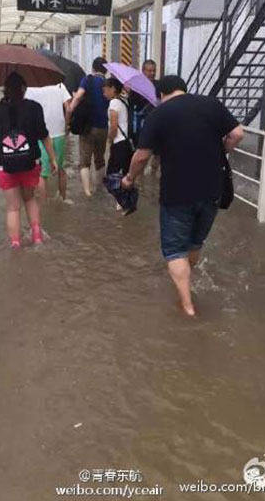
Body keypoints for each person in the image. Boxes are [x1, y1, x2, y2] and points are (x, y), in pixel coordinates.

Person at [121, 75, 245, 317]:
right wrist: (223, 151)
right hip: (212, 189)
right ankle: (186, 280)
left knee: (175, 249)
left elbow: (142, 156)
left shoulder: (159, 113)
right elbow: (238, 134)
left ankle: (187, 306)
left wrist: (129, 179)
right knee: (195, 243)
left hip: (177, 191)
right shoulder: (211, 104)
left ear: (161, 94)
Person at [0, 72, 57, 248]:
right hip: (30, 163)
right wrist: (52, 159)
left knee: (13, 207)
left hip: (5, 165)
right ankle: (37, 238)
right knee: (30, 199)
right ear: (24, 89)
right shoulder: (34, 107)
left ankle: (15, 245)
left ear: (5, 90)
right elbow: (44, 135)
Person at [25, 81, 72, 203]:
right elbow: (68, 109)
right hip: (59, 132)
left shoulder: (31, 87)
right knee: (60, 169)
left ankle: (44, 204)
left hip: (41, 134)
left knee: (42, 174)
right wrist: (66, 126)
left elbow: (27, 111)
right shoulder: (60, 86)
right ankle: (63, 198)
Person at [69, 56, 109, 196]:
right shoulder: (107, 83)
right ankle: (100, 188)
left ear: (93, 68)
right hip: (103, 127)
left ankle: (87, 192)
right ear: (106, 69)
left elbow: (79, 96)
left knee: (84, 161)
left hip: (87, 126)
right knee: (100, 158)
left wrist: (70, 111)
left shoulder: (87, 80)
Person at [102, 77, 137, 214]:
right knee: (126, 173)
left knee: (111, 175)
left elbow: (114, 127)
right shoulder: (124, 100)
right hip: (127, 143)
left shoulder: (114, 103)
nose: (104, 92)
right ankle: (128, 202)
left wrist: (109, 139)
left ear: (113, 89)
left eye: (105, 89)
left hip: (119, 143)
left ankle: (122, 202)